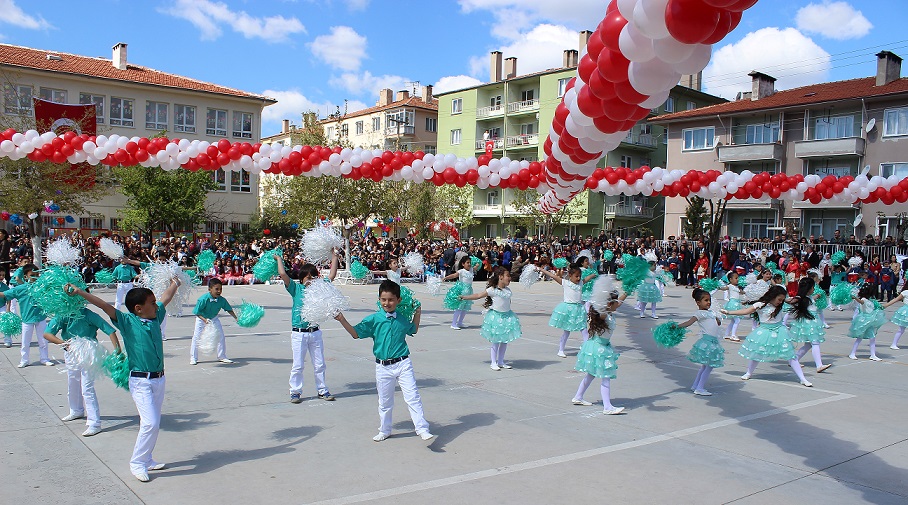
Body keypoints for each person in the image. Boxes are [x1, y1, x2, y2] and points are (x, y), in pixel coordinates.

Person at [64, 277, 180, 482]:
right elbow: (103, 305)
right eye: (151, 303)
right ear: (138, 308)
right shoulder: (127, 322)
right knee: (150, 423)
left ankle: (148, 458)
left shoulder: (155, 316)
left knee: (153, 422)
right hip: (140, 380)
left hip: (159, 379)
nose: (156, 306)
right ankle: (137, 463)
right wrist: (80, 292)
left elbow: (166, 298)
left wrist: (175, 283)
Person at [334, 280, 434, 442]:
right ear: (379, 299)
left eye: (391, 299)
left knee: (412, 396)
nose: (387, 303)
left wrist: (418, 313)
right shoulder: (374, 319)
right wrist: (342, 320)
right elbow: (355, 334)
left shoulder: (402, 319)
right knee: (385, 401)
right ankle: (385, 430)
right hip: (383, 367)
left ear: (399, 300)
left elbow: (413, 329)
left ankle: (422, 428)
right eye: (383, 299)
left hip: (403, 363)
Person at [42, 306, 122, 436]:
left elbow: (110, 331)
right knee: (72, 382)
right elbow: (47, 334)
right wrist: (65, 344)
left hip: (89, 354)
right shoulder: (63, 314)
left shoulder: (89, 315)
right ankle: (76, 410)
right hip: (71, 352)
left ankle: (94, 423)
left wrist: (118, 352)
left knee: (87, 387)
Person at [275, 253, 338, 403]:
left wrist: (334, 256)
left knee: (320, 363)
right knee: (298, 364)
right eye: (308, 278)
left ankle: (322, 390)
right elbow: (283, 274)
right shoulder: (296, 289)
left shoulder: (319, 289)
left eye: (313, 277)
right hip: (299, 334)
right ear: (302, 279)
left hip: (315, 332)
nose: (311, 281)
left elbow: (332, 274)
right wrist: (278, 259)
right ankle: (295, 391)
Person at [722, 285, 813, 387]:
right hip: (764, 332)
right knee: (757, 353)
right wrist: (729, 312)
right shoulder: (760, 304)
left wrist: (801, 296)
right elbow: (746, 311)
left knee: (791, 356)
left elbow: (793, 301)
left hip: (780, 332)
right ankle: (749, 372)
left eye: (782, 300)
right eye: (779, 299)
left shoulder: (781, 305)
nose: (780, 302)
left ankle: (802, 378)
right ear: (772, 296)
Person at [572, 298, 629, 415]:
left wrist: (628, 290)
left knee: (591, 374)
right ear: (609, 304)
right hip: (599, 348)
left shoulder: (609, 312)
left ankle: (578, 397)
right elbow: (602, 314)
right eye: (616, 302)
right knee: (606, 376)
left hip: (601, 346)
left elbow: (619, 302)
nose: (618, 303)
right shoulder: (602, 316)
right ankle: (607, 407)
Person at [460, 266, 521, 370]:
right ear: (500, 277)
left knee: (504, 341)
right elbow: (479, 295)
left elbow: (507, 303)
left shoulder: (508, 290)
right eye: (508, 276)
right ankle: (493, 362)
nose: (509, 278)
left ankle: (501, 361)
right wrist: (465, 297)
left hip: (507, 317)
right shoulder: (492, 290)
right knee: (496, 340)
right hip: (496, 317)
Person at [0, 264, 51, 367]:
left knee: (43, 340)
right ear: (26, 276)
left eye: (37, 274)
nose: (35, 277)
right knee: (25, 342)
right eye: (32, 275)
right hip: (27, 319)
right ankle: (24, 360)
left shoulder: (42, 287)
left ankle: (44, 358)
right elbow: (5, 294)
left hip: (41, 317)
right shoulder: (21, 288)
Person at [538, 264, 592, 358]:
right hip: (569, 309)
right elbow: (553, 276)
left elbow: (587, 279)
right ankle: (561, 349)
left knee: (584, 329)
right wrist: (542, 270)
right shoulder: (565, 283)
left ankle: (587, 348)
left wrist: (593, 275)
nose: (578, 278)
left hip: (579, 309)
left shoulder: (580, 283)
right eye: (576, 276)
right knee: (567, 331)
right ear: (570, 276)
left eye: (579, 276)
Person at [677, 288, 724, 396]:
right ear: (698, 303)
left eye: (709, 300)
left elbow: (718, 324)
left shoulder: (711, 313)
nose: (708, 302)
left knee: (704, 366)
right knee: (709, 366)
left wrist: (717, 319)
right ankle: (700, 388)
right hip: (707, 342)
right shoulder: (699, 313)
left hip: (713, 342)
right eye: (706, 300)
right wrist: (677, 326)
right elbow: (689, 322)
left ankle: (695, 385)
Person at [190, 278, 238, 365]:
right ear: (209, 289)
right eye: (217, 289)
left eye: (221, 289)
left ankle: (222, 356)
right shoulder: (202, 299)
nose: (219, 291)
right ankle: (193, 357)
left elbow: (229, 309)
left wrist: (236, 318)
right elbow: (197, 312)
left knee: (220, 336)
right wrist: (204, 320)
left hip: (214, 318)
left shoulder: (222, 300)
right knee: (197, 337)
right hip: (201, 319)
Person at [788, 277, 831, 373]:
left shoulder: (808, 297)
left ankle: (794, 359)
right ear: (808, 288)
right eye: (812, 288)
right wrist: (786, 300)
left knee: (808, 344)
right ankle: (819, 365)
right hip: (809, 323)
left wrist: (817, 296)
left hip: (811, 322)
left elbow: (811, 300)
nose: (814, 289)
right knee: (815, 343)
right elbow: (793, 301)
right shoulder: (801, 298)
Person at [849, 285, 886, 361]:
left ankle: (873, 355)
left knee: (872, 337)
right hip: (864, 320)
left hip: (870, 320)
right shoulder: (864, 299)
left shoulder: (871, 300)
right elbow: (861, 302)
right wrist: (855, 298)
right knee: (860, 337)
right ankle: (852, 353)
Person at [443, 255, 475, 330]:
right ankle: (453, 323)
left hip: (469, 291)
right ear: (463, 264)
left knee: (465, 308)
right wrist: (446, 277)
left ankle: (460, 322)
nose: (469, 264)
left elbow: (478, 265)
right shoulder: (461, 271)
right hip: (463, 291)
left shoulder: (471, 270)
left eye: (470, 262)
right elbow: (454, 275)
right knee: (459, 307)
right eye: (467, 263)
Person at [719, 271, 744, 342]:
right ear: (730, 279)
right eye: (736, 278)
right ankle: (733, 335)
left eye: (738, 278)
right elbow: (723, 288)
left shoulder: (738, 287)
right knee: (737, 320)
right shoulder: (730, 286)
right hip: (733, 304)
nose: (737, 279)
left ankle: (726, 334)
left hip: (737, 303)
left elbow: (742, 293)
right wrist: (718, 287)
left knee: (733, 321)